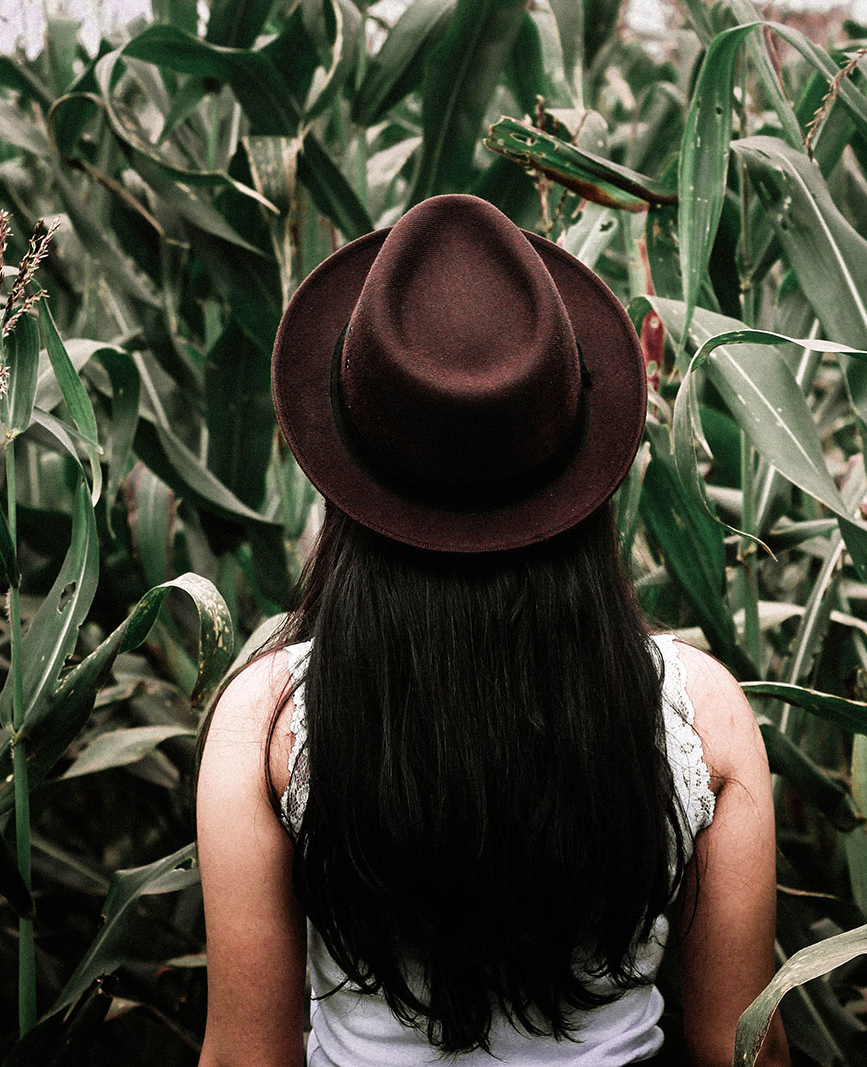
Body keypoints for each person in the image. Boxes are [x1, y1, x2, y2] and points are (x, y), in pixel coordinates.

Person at [196, 194, 788, 1067]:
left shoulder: (268, 722)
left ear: (351, 480)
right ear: (581, 473)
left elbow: (247, 1058)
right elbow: (741, 1052)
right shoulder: (704, 716)